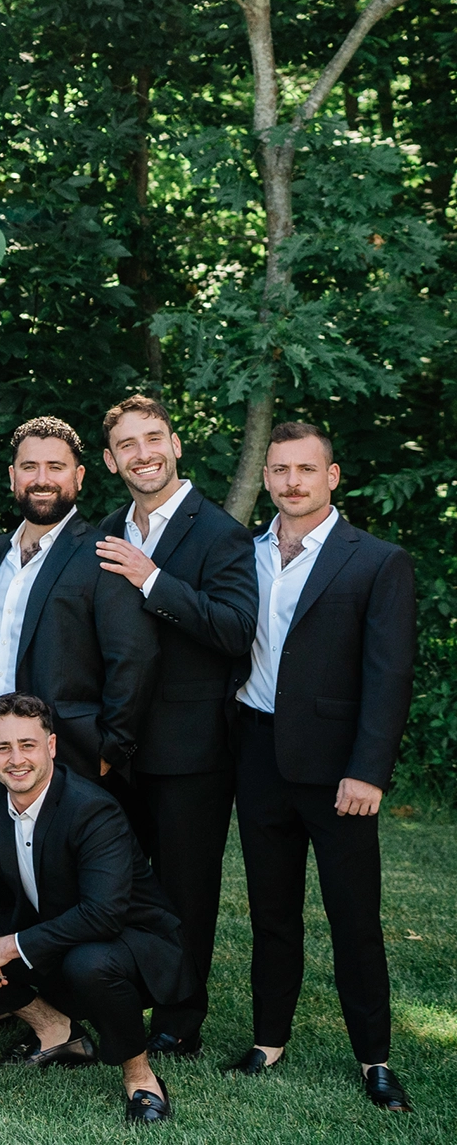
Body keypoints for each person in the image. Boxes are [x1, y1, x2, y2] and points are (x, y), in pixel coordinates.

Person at [224, 423, 416, 1113]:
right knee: (273, 914)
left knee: (353, 919)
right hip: (257, 755)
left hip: (339, 772)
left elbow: (388, 676)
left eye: (307, 469)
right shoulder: (243, 556)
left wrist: (368, 770)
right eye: (280, 470)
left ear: (332, 477)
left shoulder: (375, 561)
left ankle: (376, 1058)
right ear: (268, 477)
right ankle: (268, 1039)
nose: (292, 481)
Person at [0, 694, 186, 1126]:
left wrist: (5, 946)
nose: (16, 759)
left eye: (28, 744)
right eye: (3, 748)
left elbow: (103, 914)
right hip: (51, 929)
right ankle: (57, 1031)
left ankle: (140, 1075)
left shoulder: (92, 809)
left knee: (89, 962)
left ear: (52, 746)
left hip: (132, 940)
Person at [91, 395, 258, 1057]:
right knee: (120, 884)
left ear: (176, 442)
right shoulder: (108, 527)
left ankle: (180, 1020)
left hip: (191, 749)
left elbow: (237, 630)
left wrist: (154, 579)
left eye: (153, 438)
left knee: (187, 891)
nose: (143, 453)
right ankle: (124, 995)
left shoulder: (220, 532)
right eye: (127, 445)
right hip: (117, 745)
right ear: (110, 461)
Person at [0, 417, 154, 807]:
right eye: (30, 467)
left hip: (67, 754)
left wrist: (109, 749)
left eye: (56, 467)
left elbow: (134, 658)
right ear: (13, 476)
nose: (41, 479)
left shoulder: (103, 556)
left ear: (79, 476)